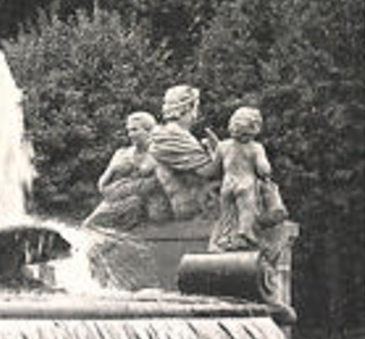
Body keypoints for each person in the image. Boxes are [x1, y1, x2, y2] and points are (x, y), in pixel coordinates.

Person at [82, 112, 167, 231]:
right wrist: (113, 169)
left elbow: (157, 184)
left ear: (148, 131)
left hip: (150, 211)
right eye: (129, 130)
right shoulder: (122, 154)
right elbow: (102, 186)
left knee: (134, 204)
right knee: (89, 226)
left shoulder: (160, 153)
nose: (130, 134)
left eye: (135, 130)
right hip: (118, 202)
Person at [147, 84, 221, 220]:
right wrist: (218, 150)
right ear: (187, 108)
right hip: (190, 208)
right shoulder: (175, 136)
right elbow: (209, 172)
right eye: (196, 107)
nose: (197, 114)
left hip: (190, 202)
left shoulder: (166, 133)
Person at [210, 106, 276, 252]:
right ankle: (245, 233)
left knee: (227, 213)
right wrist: (265, 172)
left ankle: (226, 238)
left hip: (227, 184)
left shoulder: (223, 146)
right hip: (246, 184)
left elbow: (213, 170)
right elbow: (264, 170)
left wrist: (211, 152)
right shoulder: (255, 148)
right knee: (246, 211)